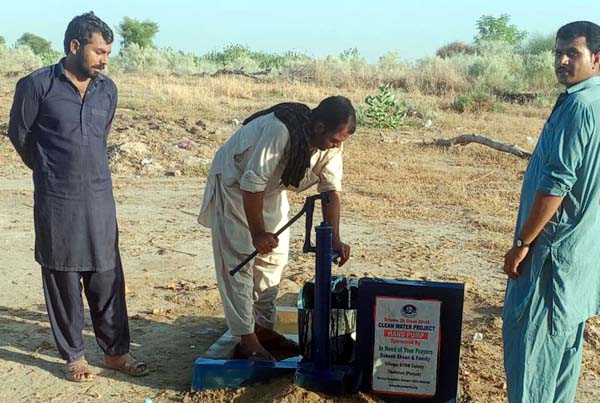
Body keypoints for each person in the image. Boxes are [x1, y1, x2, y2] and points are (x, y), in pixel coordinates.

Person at [8, 12, 148, 382]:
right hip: (57, 199)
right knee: (63, 276)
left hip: (100, 196)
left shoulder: (108, 89)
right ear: (74, 46)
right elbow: (19, 134)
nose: (104, 59)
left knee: (107, 275)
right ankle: (74, 356)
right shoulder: (36, 85)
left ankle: (116, 354)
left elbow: (99, 136)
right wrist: (49, 170)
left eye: (107, 53)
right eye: (98, 51)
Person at [198, 97, 355, 360]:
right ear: (318, 127)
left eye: (342, 141)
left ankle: (263, 329)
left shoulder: (331, 145)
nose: (338, 146)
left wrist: (335, 239)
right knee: (239, 261)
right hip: (236, 187)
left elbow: (330, 191)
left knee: (274, 259)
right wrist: (257, 233)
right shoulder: (279, 131)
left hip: (270, 191)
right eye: (335, 139)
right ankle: (246, 338)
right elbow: (252, 181)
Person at [502, 21, 600, 402]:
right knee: (559, 372)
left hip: (550, 260)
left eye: (572, 53)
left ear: (596, 58)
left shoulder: (579, 107)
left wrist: (523, 243)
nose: (561, 60)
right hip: (577, 266)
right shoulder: (590, 101)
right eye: (558, 52)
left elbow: (556, 185)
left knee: (532, 364)